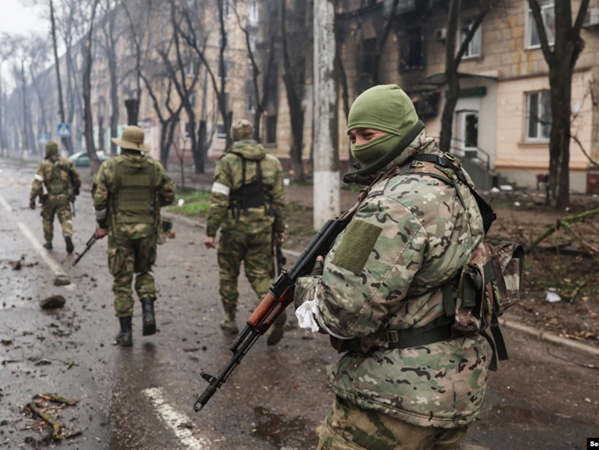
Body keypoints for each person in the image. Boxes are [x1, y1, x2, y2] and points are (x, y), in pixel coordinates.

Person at [293, 85, 491, 449]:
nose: (358, 145)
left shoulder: (391, 204)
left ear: (400, 130)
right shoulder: (450, 176)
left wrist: (306, 289)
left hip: (392, 400)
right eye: (352, 136)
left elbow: (345, 314)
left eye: (368, 134)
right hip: (457, 387)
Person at [205, 119, 287, 345]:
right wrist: (279, 230)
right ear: (253, 136)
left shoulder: (227, 162)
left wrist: (211, 231)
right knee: (260, 275)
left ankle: (229, 319)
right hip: (263, 228)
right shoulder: (271, 161)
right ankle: (272, 313)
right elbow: (279, 200)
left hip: (233, 229)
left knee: (228, 274)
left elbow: (219, 200)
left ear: (233, 139)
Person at [92, 125, 175, 347]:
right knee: (145, 272)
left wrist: (102, 224)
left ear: (123, 145)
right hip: (147, 231)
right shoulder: (154, 168)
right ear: (140, 147)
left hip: (121, 233)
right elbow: (169, 195)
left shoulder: (110, 167)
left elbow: (99, 200)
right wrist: (151, 203)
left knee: (122, 280)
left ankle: (126, 333)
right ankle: (149, 314)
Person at [30, 141, 81, 253]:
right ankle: (67, 233)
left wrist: (32, 199)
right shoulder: (67, 163)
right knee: (66, 218)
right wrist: (75, 191)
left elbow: (37, 184)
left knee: (47, 219)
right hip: (64, 197)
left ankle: (48, 241)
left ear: (47, 151)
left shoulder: (44, 165)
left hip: (50, 198)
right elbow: (77, 178)